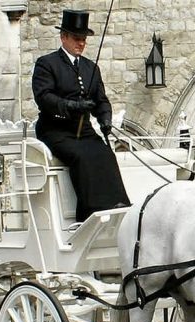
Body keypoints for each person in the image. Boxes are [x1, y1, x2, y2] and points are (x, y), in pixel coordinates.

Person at [32, 9, 130, 222]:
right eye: (77, 39)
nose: (81, 44)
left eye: (84, 40)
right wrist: (70, 105)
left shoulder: (90, 67)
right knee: (82, 156)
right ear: (64, 37)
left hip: (83, 129)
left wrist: (105, 118)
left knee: (105, 154)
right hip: (55, 129)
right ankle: (89, 212)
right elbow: (44, 96)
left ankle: (116, 204)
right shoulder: (47, 64)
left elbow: (101, 99)